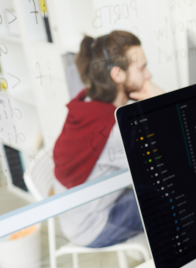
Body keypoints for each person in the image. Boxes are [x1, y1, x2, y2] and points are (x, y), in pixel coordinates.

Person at [53, 31, 163, 248]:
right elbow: (168, 158)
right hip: (93, 225)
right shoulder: (114, 129)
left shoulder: (87, 101)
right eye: (141, 68)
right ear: (117, 75)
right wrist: (160, 101)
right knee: (174, 199)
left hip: (75, 216)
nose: (148, 75)